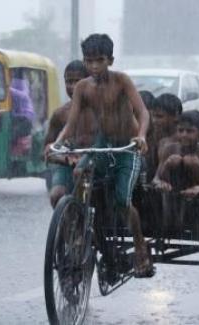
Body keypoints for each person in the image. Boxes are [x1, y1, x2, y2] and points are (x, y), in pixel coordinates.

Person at [52, 33, 154, 277]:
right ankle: (79, 229)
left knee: (121, 200)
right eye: (89, 61)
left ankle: (140, 246)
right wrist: (57, 141)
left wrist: (141, 136)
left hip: (126, 147)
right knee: (79, 172)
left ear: (110, 60)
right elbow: (71, 122)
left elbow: (143, 112)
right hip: (103, 142)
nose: (94, 66)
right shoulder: (82, 88)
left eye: (99, 60)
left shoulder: (122, 81)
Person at [44, 60, 94, 208]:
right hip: (66, 166)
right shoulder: (60, 114)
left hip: (95, 164)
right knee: (56, 195)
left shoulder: (100, 111)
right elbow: (48, 149)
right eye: (68, 81)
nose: (72, 87)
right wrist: (65, 159)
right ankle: (65, 226)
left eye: (77, 81)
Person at [153, 110, 199, 197]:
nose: (184, 135)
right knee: (174, 161)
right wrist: (161, 183)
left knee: (191, 162)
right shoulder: (169, 149)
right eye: (180, 130)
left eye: (189, 131)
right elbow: (155, 179)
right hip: (172, 194)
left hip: (198, 198)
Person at [146, 93, 182, 181]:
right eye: (153, 116)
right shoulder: (153, 134)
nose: (154, 121)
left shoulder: (183, 138)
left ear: (176, 116)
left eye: (159, 116)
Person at [10, 70, 35, 146]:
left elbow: (22, 95)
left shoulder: (19, 84)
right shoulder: (18, 83)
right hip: (20, 116)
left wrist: (7, 89)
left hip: (25, 118)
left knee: (10, 133)